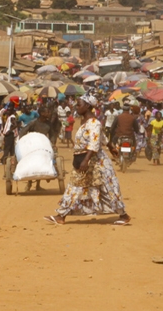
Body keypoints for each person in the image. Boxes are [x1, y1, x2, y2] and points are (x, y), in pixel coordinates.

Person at [45, 95, 131, 226]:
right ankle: (61, 215)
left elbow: (94, 143)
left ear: (87, 106)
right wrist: (111, 147)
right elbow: (102, 137)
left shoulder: (93, 123)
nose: (76, 107)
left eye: (79, 104)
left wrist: (86, 161)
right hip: (83, 159)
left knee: (107, 188)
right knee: (78, 188)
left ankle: (123, 215)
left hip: (95, 161)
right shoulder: (87, 123)